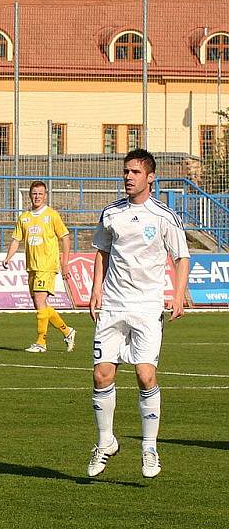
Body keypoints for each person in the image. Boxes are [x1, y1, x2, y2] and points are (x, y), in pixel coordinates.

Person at [86, 149, 190, 480]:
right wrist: (95, 289)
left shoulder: (163, 216)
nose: (128, 177)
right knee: (102, 375)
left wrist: (177, 293)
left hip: (146, 307)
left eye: (135, 172)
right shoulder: (111, 213)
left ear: (150, 177)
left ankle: (149, 446)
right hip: (114, 304)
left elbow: (181, 257)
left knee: (145, 375)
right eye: (126, 172)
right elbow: (102, 251)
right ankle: (106, 442)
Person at [0, 181, 76, 353]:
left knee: (40, 301)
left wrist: (65, 263)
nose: (37, 197)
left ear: (46, 195)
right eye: (34, 193)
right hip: (32, 266)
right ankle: (67, 331)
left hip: (47, 265)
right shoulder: (24, 217)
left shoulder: (52, 215)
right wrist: (8, 257)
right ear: (29, 195)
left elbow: (65, 238)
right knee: (39, 304)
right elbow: (16, 239)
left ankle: (41, 343)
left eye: (40, 194)